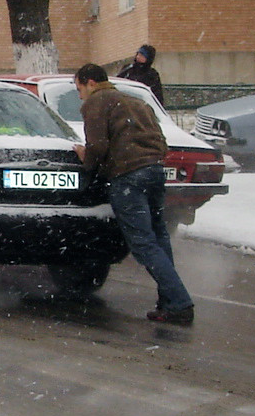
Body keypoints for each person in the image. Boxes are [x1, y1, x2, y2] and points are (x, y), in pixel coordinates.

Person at [75, 62, 194, 325]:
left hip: (128, 176)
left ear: (90, 83)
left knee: (143, 244)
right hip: (154, 172)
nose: (80, 95)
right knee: (159, 237)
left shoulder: (97, 103)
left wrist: (87, 158)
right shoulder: (135, 101)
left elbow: (98, 145)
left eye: (79, 88)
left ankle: (180, 302)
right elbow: (160, 141)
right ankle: (169, 302)